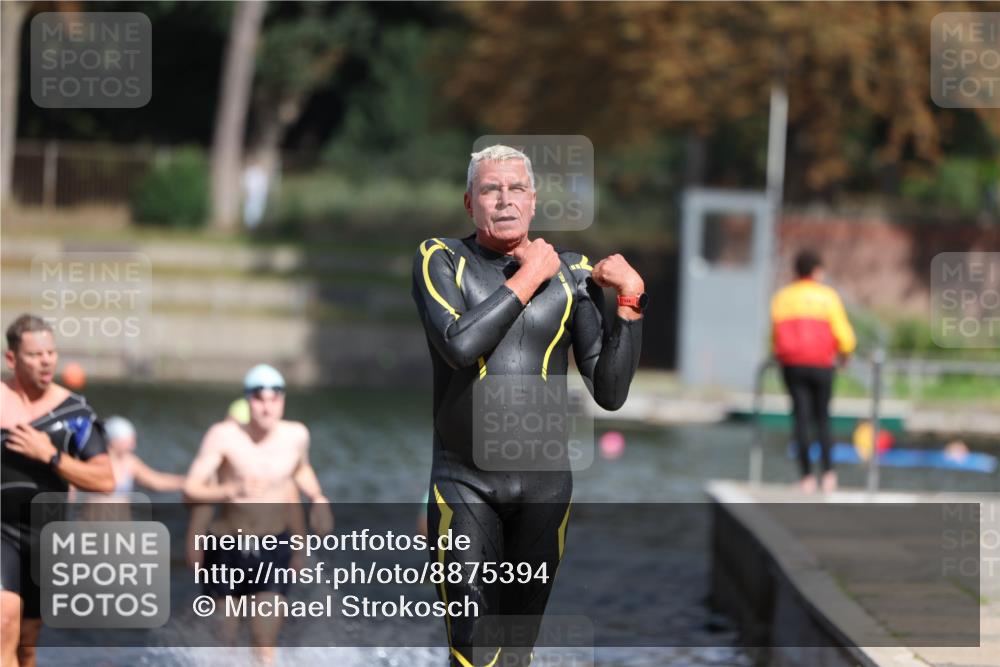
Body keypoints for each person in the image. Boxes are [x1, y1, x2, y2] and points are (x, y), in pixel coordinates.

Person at [412, 144, 645, 667]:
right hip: (465, 484)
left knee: (516, 655)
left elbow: (609, 392)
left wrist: (629, 302)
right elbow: (456, 345)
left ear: (534, 201)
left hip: (545, 490)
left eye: (516, 188)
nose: (505, 200)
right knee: (473, 653)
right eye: (491, 189)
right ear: (470, 202)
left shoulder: (573, 274)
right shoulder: (440, 258)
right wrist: (529, 276)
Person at [182, 364, 332, 663]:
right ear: (248, 400)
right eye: (259, 398)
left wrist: (317, 497)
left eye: (274, 398)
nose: (267, 406)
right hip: (227, 549)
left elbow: (300, 471)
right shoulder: (223, 436)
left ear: (283, 400)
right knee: (224, 640)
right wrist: (229, 490)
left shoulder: (296, 436)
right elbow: (190, 490)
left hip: (272, 547)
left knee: (264, 640)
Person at [1, 314, 115, 667]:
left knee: (27, 645)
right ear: (12, 359)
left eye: (51, 352)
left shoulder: (75, 411)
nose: (47, 360)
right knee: (4, 617)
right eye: (35, 354)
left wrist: (49, 455)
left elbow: (105, 480)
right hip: (0, 531)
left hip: (44, 537)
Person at [771, 250, 856, 494]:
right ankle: (829, 476)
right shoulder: (827, 297)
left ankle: (807, 478)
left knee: (800, 419)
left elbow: (775, 334)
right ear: (817, 270)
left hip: (793, 365)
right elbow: (844, 336)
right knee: (823, 419)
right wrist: (845, 354)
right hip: (822, 364)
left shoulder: (783, 297)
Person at [102, 416, 185, 496]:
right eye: (128, 442)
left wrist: (184, 481)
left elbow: (155, 481)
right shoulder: (97, 462)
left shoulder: (129, 461)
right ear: (113, 441)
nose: (133, 446)